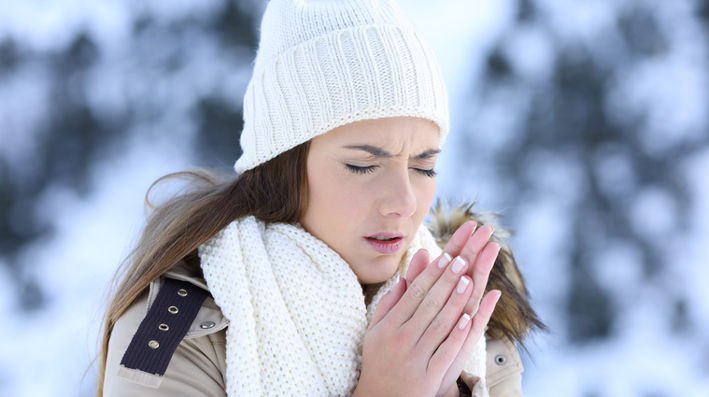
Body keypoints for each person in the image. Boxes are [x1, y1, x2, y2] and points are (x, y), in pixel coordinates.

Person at [97, 0, 542, 396]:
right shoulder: (178, 334)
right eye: (363, 165)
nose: (404, 201)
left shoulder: (466, 328)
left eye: (424, 167)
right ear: (283, 165)